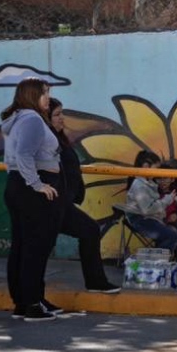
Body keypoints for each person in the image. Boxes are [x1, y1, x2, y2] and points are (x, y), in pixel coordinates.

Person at [1, 78, 64, 322]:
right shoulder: (32, 119)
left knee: (22, 246)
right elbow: (24, 154)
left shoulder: (20, 119)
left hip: (18, 187)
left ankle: (24, 302)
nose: (47, 97)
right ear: (31, 95)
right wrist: (37, 184)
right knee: (34, 248)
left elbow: (16, 157)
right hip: (29, 189)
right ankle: (32, 304)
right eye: (44, 93)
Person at [48, 98, 120, 295]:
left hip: (63, 203)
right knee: (37, 249)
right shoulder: (47, 140)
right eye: (56, 115)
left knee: (89, 230)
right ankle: (28, 300)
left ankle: (95, 281)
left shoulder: (59, 137)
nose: (61, 118)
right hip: (52, 204)